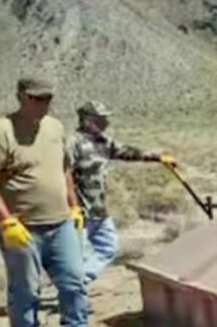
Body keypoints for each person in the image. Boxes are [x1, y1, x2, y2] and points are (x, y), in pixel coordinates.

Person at [0, 78, 97, 327]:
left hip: (61, 224)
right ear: (20, 96)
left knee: (74, 283)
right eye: (36, 98)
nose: (42, 104)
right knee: (26, 291)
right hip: (22, 228)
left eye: (47, 98)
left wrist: (74, 207)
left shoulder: (55, 127)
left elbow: (64, 169)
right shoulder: (1, 131)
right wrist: (5, 220)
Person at [69, 101, 177, 286]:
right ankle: (73, 292)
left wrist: (157, 157)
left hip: (99, 210)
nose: (105, 123)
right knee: (75, 256)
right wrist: (71, 206)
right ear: (87, 120)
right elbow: (62, 174)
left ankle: (78, 283)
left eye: (105, 119)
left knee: (108, 247)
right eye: (101, 119)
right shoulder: (73, 143)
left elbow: (128, 152)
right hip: (78, 212)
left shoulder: (104, 142)